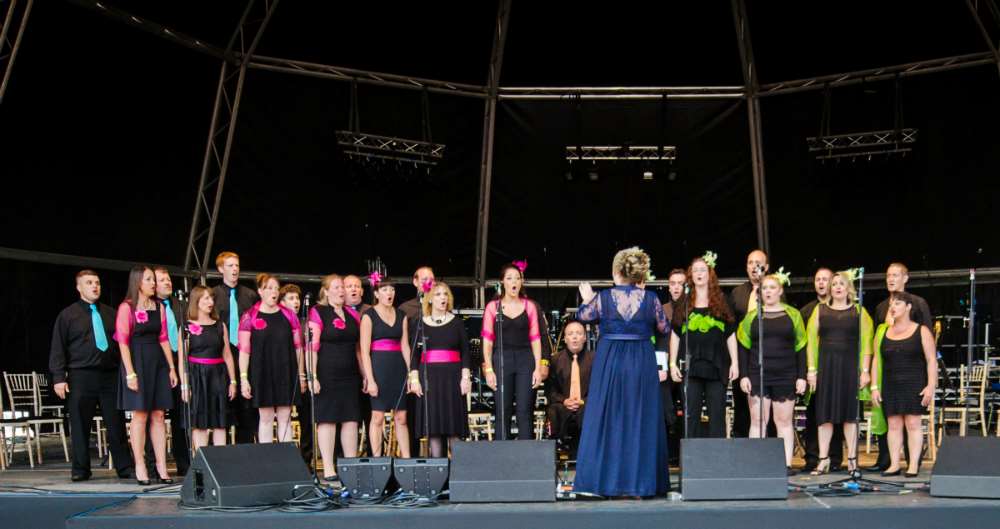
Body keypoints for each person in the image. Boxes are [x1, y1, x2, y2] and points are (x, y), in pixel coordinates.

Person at [574, 247, 669, 497]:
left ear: (617, 271)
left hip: (611, 361)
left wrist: (587, 298)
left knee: (608, 416)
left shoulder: (604, 297)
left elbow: (583, 315)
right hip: (640, 360)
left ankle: (605, 481)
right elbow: (664, 327)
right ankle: (640, 483)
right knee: (640, 416)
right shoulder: (650, 299)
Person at [49, 270, 134, 482]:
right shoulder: (67, 315)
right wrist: (59, 377)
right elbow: (58, 347)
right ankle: (80, 469)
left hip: (109, 375)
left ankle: (124, 467)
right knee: (79, 424)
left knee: (116, 423)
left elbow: (122, 343)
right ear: (79, 287)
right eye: (89, 283)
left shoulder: (111, 313)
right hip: (81, 375)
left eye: (97, 282)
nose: (95, 286)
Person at [737, 272, 806, 474]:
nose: (768, 291)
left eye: (772, 288)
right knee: (758, 421)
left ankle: (785, 464)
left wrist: (801, 376)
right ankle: (756, 464)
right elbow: (743, 346)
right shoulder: (752, 316)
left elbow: (801, 346)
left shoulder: (793, 314)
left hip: (786, 373)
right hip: (757, 373)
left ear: (780, 290)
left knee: (783, 421)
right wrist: (744, 375)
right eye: (764, 288)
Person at [115, 265, 178, 485]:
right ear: (138, 282)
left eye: (154, 279)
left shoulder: (158, 306)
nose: (154, 283)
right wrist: (130, 373)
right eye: (150, 279)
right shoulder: (127, 307)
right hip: (137, 361)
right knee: (140, 415)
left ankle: (161, 465)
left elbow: (163, 338)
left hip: (157, 363)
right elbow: (122, 341)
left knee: (159, 415)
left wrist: (171, 367)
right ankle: (140, 464)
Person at [805, 271, 873, 475]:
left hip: (850, 369)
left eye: (841, 283)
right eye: (834, 284)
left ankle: (852, 460)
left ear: (849, 287)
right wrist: (811, 370)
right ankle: (823, 459)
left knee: (849, 417)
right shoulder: (820, 310)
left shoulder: (859, 311)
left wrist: (865, 371)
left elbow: (867, 343)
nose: (837, 287)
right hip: (826, 368)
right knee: (824, 416)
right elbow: (810, 341)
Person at [869, 261, 932, 471]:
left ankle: (913, 464)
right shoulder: (880, 308)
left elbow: (929, 352)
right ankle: (890, 463)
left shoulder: (918, 304)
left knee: (912, 423)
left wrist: (930, 384)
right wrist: (874, 385)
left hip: (913, 374)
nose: (891, 279)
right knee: (893, 423)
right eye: (888, 275)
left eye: (895, 275)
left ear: (905, 278)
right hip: (890, 376)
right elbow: (877, 352)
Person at [669, 255, 738, 439]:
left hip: (716, 366)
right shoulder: (684, 303)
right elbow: (675, 334)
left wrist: (735, 363)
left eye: (703, 270)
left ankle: (717, 461)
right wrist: (672, 364)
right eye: (695, 270)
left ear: (710, 275)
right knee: (690, 415)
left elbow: (730, 333)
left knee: (717, 415)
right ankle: (692, 460)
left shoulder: (722, 300)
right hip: (691, 368)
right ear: (691, 276)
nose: (699, 273)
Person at [238, 273, 305, 445]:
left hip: (286, 371)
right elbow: (244, 350)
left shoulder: (289, 315)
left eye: (276, 288)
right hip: (262, 373)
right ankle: (266, 462)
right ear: (260, 291)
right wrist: (244, 378)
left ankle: (286, 461)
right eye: (268, 288)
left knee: (285, 416)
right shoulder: (249, 316)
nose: (273, 292)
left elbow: (299, 347)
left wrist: (302, 375)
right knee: (266, 417)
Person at [308, 274, 363, 482]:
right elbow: (311, 348)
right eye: (337, 287)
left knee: (350, 419)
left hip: (350, 375)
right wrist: (312, 376)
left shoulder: (352, 314)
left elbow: (358, 348)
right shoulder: (317, 312)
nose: (342, 290)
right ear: (326, 291)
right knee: (327, 419)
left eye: (343, 287)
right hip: (327, 373)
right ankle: (329, 467)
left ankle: (350, 465)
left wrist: (365, 375)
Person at [408, 282, 471, 458]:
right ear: (429, 300)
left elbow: (466, 353)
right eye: (437, 294)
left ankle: (459, 474)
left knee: (454, 429)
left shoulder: (456, 323)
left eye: (445, 294)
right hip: (430, 378)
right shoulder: (420, 323)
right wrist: (414, 380)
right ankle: (439, 475)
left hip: (452, 378)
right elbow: (414, 355)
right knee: (433, 429)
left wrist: (465, 378)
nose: (442, 297)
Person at [482, 262, 543, 440]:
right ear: (502, 282)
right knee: (503, 410)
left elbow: (536, 339)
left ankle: (526, 458)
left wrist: (538, 367)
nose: (514, 282)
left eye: (517, 278)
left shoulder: (529, 306)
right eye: (509, 278)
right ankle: (503, 459)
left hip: (525, 358)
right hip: (501, 358)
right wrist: (488, 369)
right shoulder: (493, 307)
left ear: (521, 281)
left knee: (524, 410)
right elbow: (487, 341)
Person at [360, 275, 412, 458]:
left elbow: (405, 346)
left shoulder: (402, 315)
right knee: (377, 417)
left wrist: (411, 374)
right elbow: (365, 351)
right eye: (384, 289)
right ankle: (376, 460)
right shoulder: (369, 316)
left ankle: (406, 459)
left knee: (401, 417)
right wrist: (371, 379)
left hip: (398, 367)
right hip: (379, 367)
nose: (389, 293)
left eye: (392, 289)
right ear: (376, 293)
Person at [179, 285, 236, 452]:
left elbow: (227, 354)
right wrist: (185, 385)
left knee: (220, 420)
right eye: (205, 298)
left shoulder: (220, 326)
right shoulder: (187, 327)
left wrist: (232, 381)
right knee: (199, 422)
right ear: (196, 301)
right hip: (196, 375)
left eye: (211, 298)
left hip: (218, 374)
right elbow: (182, 359)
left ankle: (220, 462)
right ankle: (202, 462)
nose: (210, 302)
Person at [211, 251, 259, 443]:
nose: (235, 270)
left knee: (247, 407)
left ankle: (245, 449)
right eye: (230, 266)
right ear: (221, 269)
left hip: (245, 355)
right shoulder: (212, 295)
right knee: (223, 404)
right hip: (221, 356)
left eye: (237, 266)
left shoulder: (250, 295)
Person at [147, 267, 189, 476]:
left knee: (182, 416)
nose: (167, 282)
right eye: (162, 279)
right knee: (156, 416)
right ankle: (155, 464)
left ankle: (184, 463)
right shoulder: (149, 306)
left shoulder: (181, 305)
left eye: (169, 279)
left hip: (179, 363)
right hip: (158, 365)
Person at [799, 268, 843, 471]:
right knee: (815, 414)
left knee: (836, 414)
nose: (821, 283)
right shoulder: (807, 310)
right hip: (814, 370)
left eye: (826, 279)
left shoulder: (844, 309)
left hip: (836, 368)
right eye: (818, 279)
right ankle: (812, 457)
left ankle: (834, 458)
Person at [728, 249, 771, 438]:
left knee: (768, 405)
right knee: (742, 404)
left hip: (769, 357)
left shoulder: (774, 290)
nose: (754, 267)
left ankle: (769, 449)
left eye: (758, 263)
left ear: (766, 267)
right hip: (743, 357)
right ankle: (741, 448)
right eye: (750, 263)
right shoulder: (737, 293)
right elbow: (730, 327)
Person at [546, 320, 593, 456]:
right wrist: (565, 400)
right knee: (554, 410)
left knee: (589, 411)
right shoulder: (555, 360)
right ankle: (557, 451)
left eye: (578, 333)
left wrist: (583, 401)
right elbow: (551, 391)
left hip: (586, 403)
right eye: (570, 334)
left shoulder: (594, 359)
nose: (574, 337)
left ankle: (587, 453)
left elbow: (599, 389)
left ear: (584, 337)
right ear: (565, 339)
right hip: (564, 404)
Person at [279, 284, 313, 467]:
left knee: (306, 417)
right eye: (291, 299)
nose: (296, 302)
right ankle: (284, 460)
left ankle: (306, 459)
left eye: (297, 298)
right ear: (282, 302)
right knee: (282, 417)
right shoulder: (279, 323)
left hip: (302, 375)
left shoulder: (305, 323)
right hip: (284, 375)